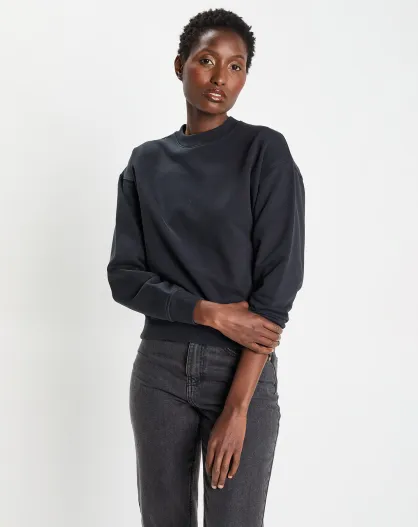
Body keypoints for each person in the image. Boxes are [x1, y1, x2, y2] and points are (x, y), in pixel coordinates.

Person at [107, 7, 305, 527]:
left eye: (236, 66)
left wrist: (237, 409)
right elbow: (124, 277)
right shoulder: (145, 163)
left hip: (241, 372)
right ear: (180, 65)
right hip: (160, 370)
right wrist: (208, 312)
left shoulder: (264, 151)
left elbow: (278, 288)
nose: (220, 78)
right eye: (207, 60)